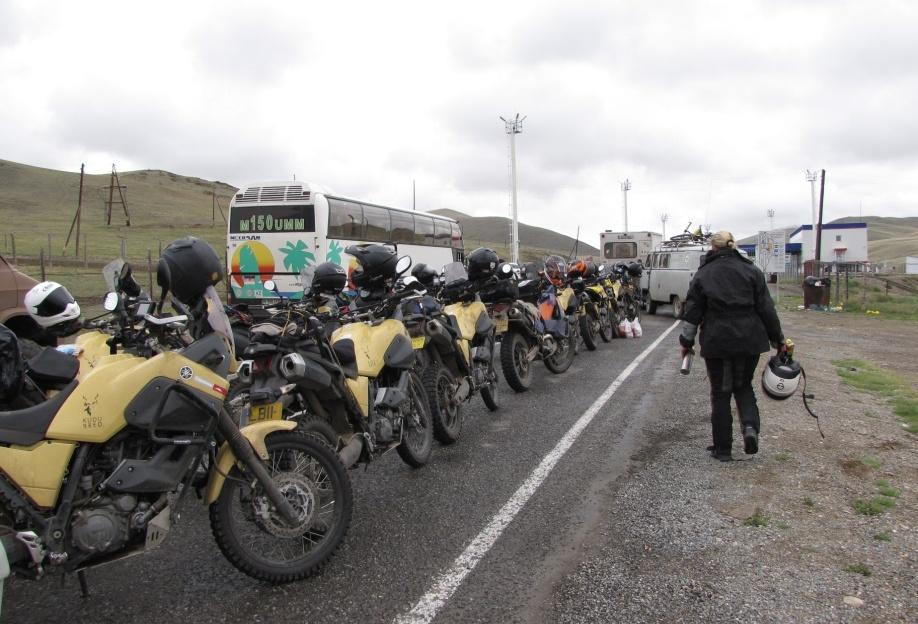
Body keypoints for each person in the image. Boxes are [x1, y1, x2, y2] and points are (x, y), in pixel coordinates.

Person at [678, 230, 785, 461]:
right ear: (733, 246)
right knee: (743, 386)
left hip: (718, 340)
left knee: (720, 393)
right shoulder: (752, 271)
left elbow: (692, 313)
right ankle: (749, 429)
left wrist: (686, 342)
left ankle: (723, 449)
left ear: (713, 248)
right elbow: (767, 309)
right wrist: (779, 340)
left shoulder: (703, 274)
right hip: (750, 339)